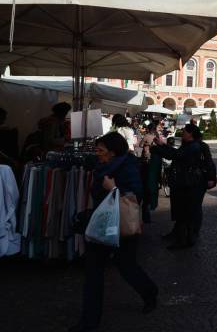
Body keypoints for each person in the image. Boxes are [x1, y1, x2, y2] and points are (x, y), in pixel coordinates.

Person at [70, 132, 158, 332]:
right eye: (97, 150)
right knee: (93, 273)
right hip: (101, 224)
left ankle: (150, 292)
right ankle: (89, 322)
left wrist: (113, 189)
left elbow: (136, 196)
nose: (97, 153)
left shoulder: (128, 167)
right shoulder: (102, 166)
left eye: (100, 150)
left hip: (122, 226)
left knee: (127, 266)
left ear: (113, 152)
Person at [152, 124, 214, 249]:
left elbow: (177, 155)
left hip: (193, 183)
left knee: (189, 210)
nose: (182, 133)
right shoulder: (188, 145)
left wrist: (211, 178)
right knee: (184, 209)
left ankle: (188, 238)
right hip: (186, 182)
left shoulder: (196, 146)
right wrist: (162, 145)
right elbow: (176, 153)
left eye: (184, 131)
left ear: (190, 133)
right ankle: (181, 235)